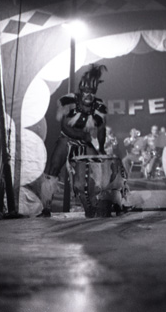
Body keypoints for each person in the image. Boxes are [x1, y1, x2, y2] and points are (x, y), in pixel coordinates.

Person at [39, 64, 108, 217]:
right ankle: (46, 208)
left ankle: (90, 207)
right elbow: (64, 125)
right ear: (81, 90)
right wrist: (81, 135)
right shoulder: (69, 101)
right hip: (67, 139)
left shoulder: (99, 106)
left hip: (85, 143)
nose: (89, 95)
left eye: (92, 92)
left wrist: (101, 147)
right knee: (53, 169)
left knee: (91, 174)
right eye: (86, 91)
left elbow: (101, 129)